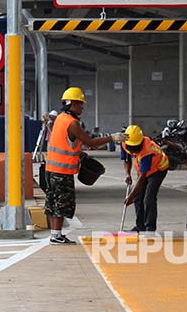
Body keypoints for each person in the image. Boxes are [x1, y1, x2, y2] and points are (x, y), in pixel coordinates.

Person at [45, 87, 127, 244]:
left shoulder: (60, 118)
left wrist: (78, 154)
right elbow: (91, 143)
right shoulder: (73, 123)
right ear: (73, 104)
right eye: (80, 104)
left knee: (54, 202)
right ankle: (56, 236)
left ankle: (56, 234)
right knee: (62, 204)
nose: (82, 107)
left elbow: (64, 143)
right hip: (62, 171)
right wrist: (112, 138)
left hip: (51, 169)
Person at [121, 125, 170, 233]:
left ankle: (150, 229)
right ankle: (140, 227)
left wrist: (130, 196)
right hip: (144, 170)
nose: (133, 150)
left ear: (140, 142)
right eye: (131, 147)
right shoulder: (125, 142)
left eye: (135, 147)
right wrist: (127, 174)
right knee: (138, 198)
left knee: (149, 198)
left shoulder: (147, 151)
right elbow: (126, 159)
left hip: (158, 169)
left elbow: (142, 178)